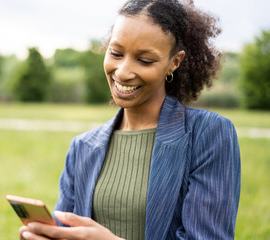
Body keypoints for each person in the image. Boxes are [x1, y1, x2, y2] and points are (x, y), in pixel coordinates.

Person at [19, 0, 241, 239]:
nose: (123, 72)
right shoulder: (82, 147)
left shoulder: (208, 134)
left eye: (145, 60)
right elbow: (69, 231)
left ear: (174, 62)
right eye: (116, 53)